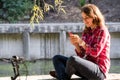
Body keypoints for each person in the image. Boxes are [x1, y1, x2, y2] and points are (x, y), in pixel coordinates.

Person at [49, 4, 110, 80]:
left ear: (94, 16)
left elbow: (95, 52)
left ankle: (61, 75)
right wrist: (76, 45)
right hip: (86, 69)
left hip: (99, 72)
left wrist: (82, 43)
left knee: (73, 59)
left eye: (87, 18)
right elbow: (82, 55)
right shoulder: (86, 31)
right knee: (57, 58)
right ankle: (62, 75)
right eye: (83, 18)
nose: (84, 21)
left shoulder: (102, 30)